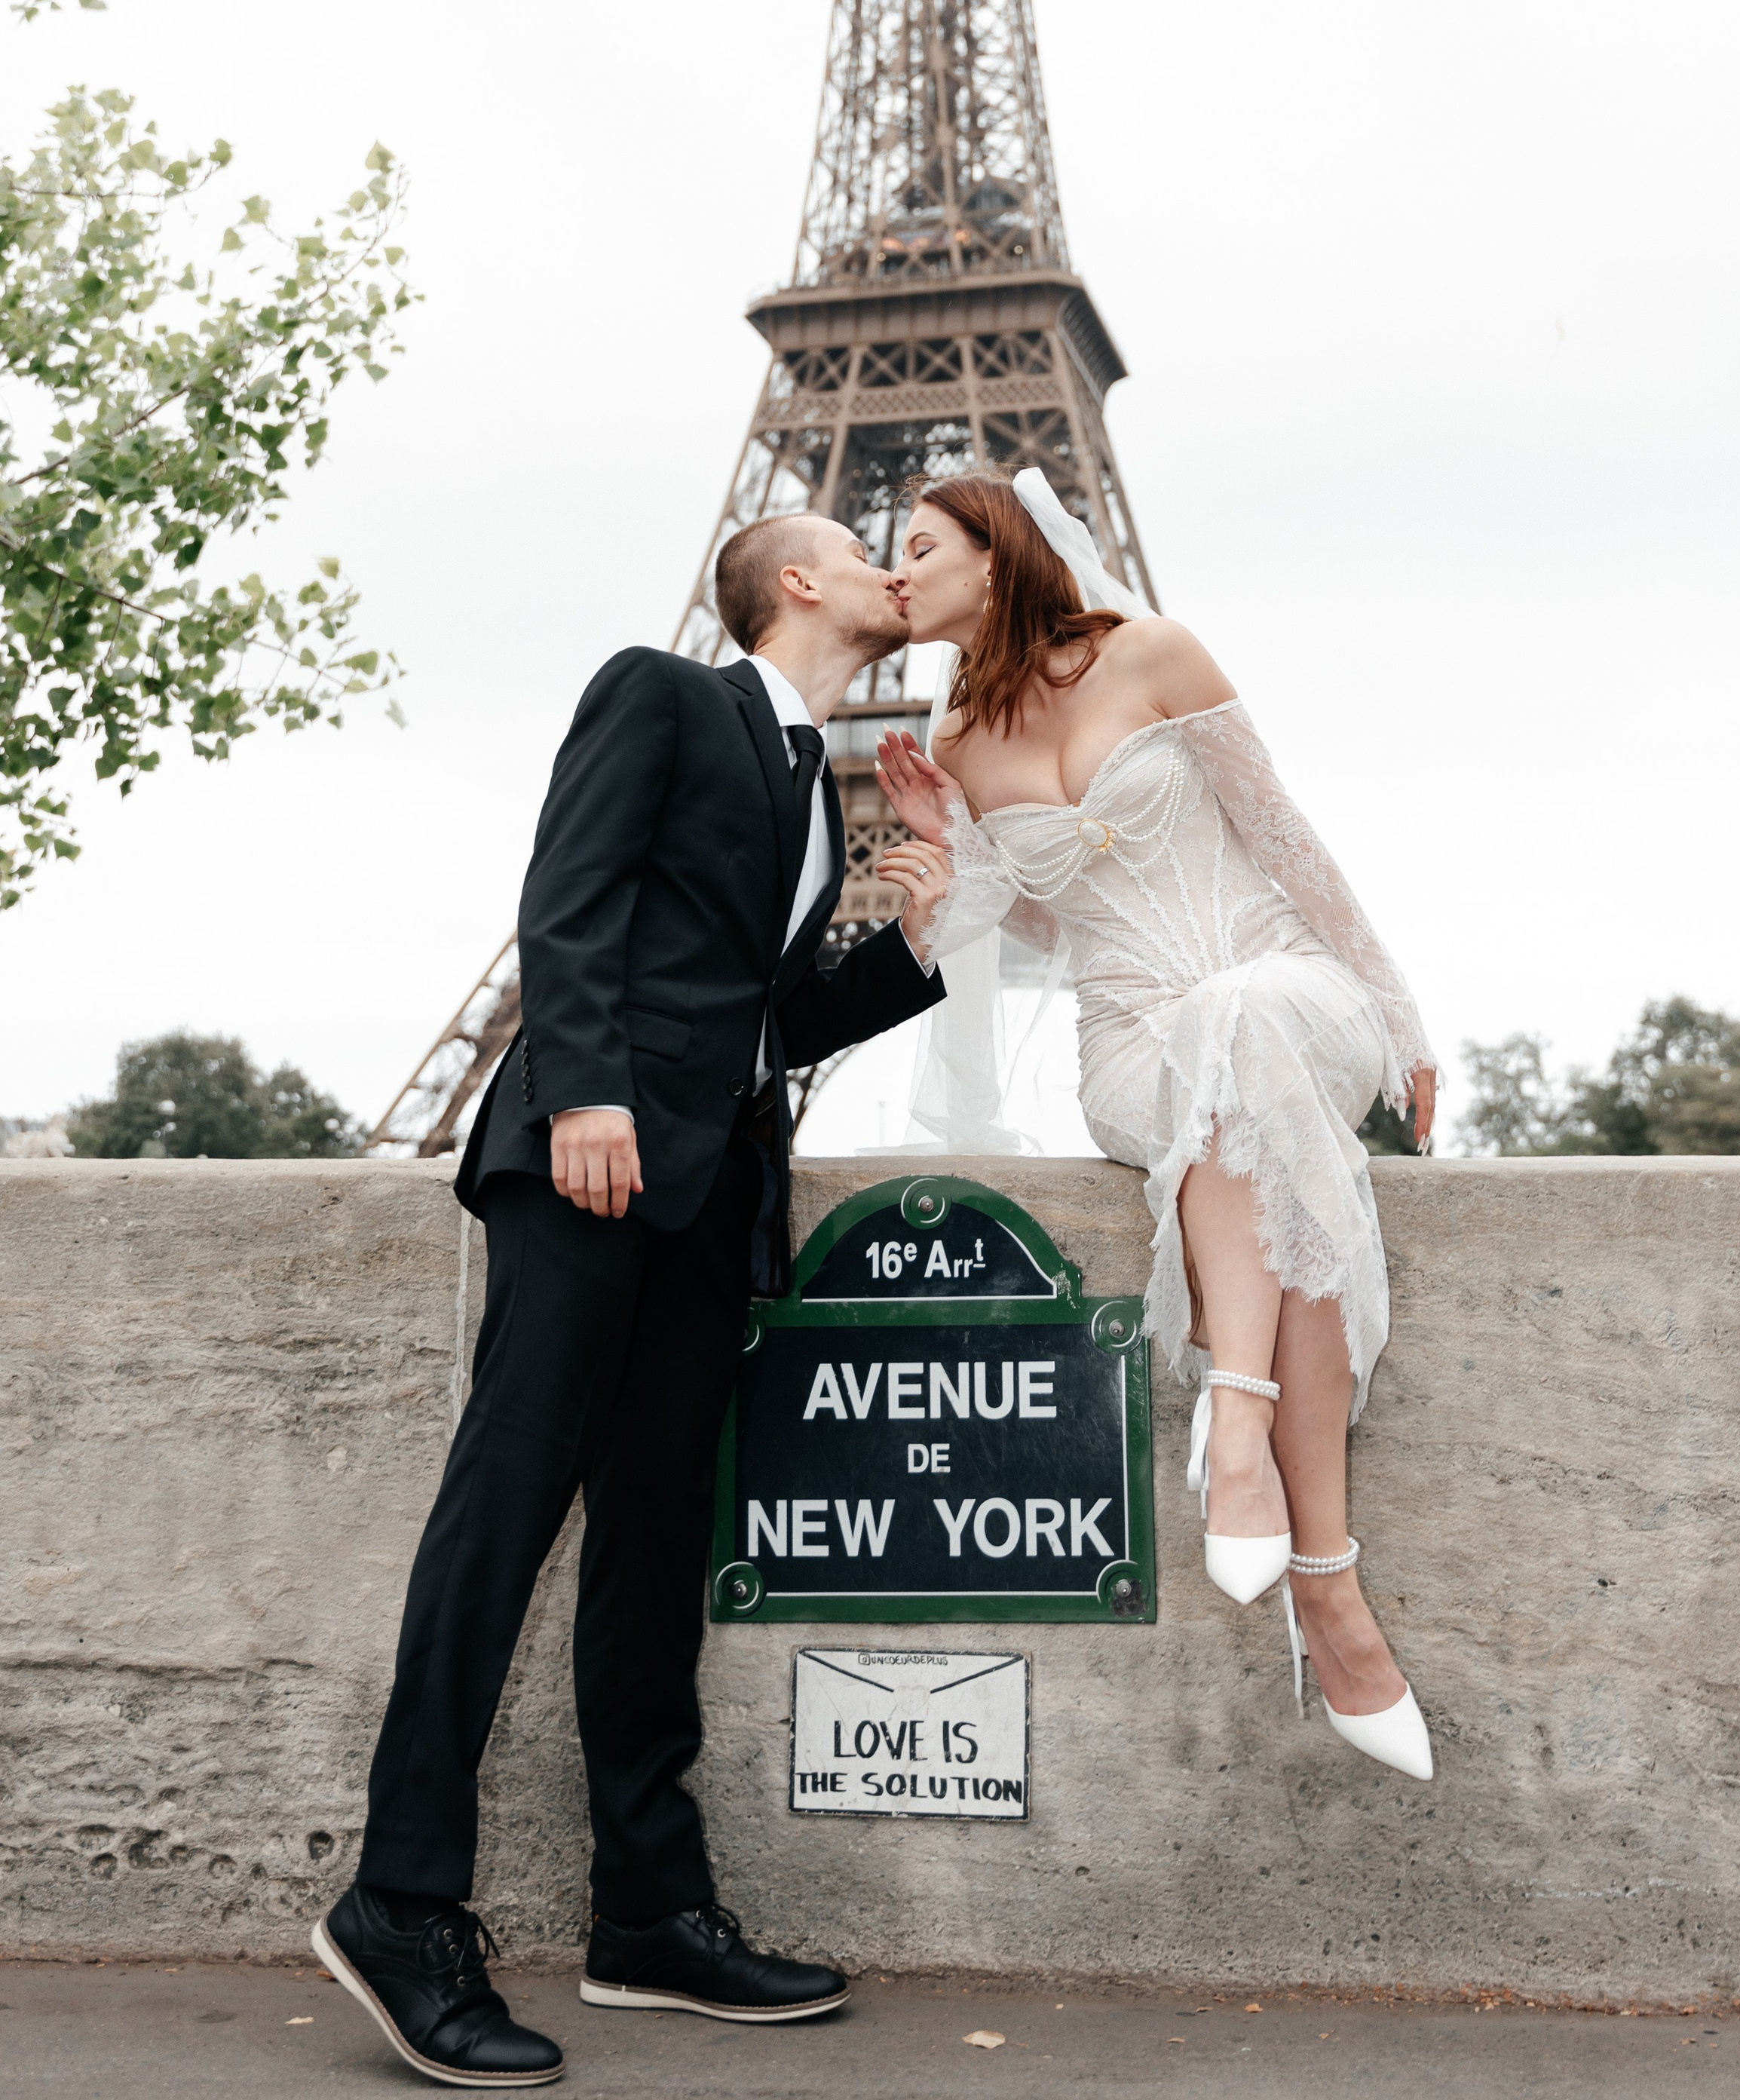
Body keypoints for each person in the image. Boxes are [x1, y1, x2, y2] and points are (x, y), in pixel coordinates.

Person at [316, 515, 953, 2087]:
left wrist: (910, 931)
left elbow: (770, 1013)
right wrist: (584, 1092)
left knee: (656, 1543)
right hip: (589, 1166)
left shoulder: (812, 779)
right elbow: (572, 890)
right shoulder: (662, 696)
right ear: (794, 581)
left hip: (708, 1193)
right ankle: (398, 1901)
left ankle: (650, 1913)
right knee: (505, 1507)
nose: (896, 569)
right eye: (867, 552)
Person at [875, 468, 1438, 1782]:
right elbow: (1036, 921)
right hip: (1131, 1045)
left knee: (1237, 1028)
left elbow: (1285, 837)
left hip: (1289, 990)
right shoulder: (954, 741)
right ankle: (1323, 1577)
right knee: (1221, 1088)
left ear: (997, 551)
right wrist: (945, 856)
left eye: (916, 546)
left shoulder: (1157, 653)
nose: (895, 573)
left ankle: (1237, 1424)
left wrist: (1400, 1014)